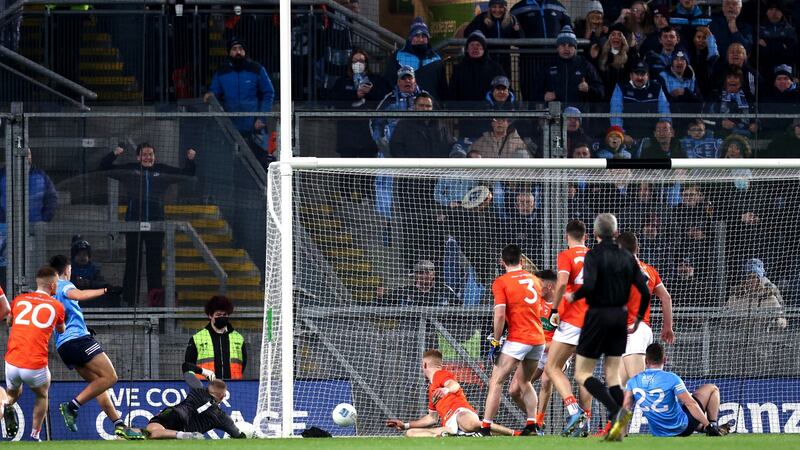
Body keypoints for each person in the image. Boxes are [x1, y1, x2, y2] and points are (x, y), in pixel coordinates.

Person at [564, 213, 650, 442]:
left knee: (582, 373)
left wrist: (574, 296)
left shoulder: (593, 255)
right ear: (615, 232)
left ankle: (616, 411)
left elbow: (590, 286)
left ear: (595, 234)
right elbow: (645, 291)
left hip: (597, 316)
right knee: (613, 376)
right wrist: (639, 318)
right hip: (620, 319)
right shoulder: (628, 257)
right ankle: (618, 428)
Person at [49, 255, 143, 439]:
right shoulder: (64, 284)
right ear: (67, 269)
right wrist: (106, 290)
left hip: (64, 346)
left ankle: (119, 425)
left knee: (98, 384)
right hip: (78, 340)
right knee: (110, 377)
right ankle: (72, 406)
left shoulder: (50, 291)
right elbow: (79, 295)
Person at [98, 143, 196, 306]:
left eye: (151, 154)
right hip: (133, 225)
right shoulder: (129, 170)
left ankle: (155, 302)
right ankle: (129, 302)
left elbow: (187, 174)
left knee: (154, 266)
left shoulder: (162, 170)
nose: (148, 157)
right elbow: (104, 167)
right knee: (132, 265)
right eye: (144, 154)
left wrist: (190, 160)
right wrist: (114, 153)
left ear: (154, 157)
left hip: (156, 226)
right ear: (138, 157)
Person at [480, 244, 546, 436]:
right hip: (538, 339)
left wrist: (495, 340)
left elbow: (500, 315)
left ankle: (485, 427)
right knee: (525, 382)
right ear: (522, 260)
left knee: (497, 381)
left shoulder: (501, 282)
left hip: (518, 338)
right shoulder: (534, 280)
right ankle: (532, 424)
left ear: (502, 262)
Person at [385, 349, 516, 437]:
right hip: (449, 426)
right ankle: (456, 435)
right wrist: (405, 425)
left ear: (424, 365)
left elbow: (454, 385)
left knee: (472, 424)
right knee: (411, 433)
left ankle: (515, 433)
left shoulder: (440, 374)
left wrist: (446, 389)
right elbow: (432, 418)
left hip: (461, 413)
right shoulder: (431, 389)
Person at [2, 266, 65, 441]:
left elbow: (9, 323)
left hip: (12, 362)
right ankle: (35, 434)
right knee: (42, 394)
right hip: (34, 365)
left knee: (13, 393)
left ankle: (6, 405)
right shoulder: (57, 306)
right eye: (57, 284)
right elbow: (61, 329)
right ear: (52, 285)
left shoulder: (19, 300)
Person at [544, 219, 593, 437]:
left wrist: (555, 309)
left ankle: (574, 411)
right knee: (584, 374)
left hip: (574, 319)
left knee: (553, 367)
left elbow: (562, 281)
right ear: (586, 236)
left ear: (567, 237)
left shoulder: (566, 255)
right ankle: (586, 422)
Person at [623, 343, 730, 437]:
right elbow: (690, 404)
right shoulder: (671, 378)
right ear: (664, 359)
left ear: (646, 361)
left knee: (680, 410)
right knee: (712, 388)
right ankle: (713, 427)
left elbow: (625, 407)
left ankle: (704, 427)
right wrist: (709, 425)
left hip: (659, 432)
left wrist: (623, 433)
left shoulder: (633, 381)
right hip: (682, 428)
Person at [204, 37, 275, 167]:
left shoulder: (256, 69)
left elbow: (269, 93)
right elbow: (214, 93)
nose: (238, 52)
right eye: (234, 49)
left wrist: (262, 118)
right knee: (237, 168)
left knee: (262, 165)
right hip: (232, 130)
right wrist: (210, 95)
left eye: (241, 49)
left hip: (255, 128)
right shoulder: (222, 72)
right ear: (229, 52)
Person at [615, 232, 675, 385]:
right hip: (640, 330)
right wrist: (667, 327)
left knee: (642, 387)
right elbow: (666, 298)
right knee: (620, 389)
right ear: (638, 248)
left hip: (632, 332)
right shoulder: (650, 270)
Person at [328, 48, 390, 158]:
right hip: (347, 135)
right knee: (348, 173)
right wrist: (355, 95)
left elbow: (383, 99)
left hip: (369, 136)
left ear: (366, 63)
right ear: (350, 63)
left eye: (361, 61)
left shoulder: (376, 80)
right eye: (355, 61)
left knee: (367, 172)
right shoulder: (342, 81)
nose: (358, 64)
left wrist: (369, 93)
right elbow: (336, 101)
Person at [145, 373, 246, 439]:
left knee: (150, 431)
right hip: (187, 428)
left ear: (208, 388)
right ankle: (182, 435)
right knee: (154, 435)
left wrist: (203, 372)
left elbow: (187, 370)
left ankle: (180, 435)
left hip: (175, 413)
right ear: (223, 396)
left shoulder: (197, 390)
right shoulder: (222, 417)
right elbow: (238, 435)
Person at [183, 295, 247, 380]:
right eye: (218, 315)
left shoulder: (238, 338)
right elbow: (189, 366)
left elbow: (243, 364)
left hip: (234, 386)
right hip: (206, 387)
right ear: (210, 315)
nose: (222, 317)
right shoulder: (197, 338)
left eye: (225, 314)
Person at [542, 26, 604, 111]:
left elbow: (601, 92)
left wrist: (588, 89)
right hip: (555, 116)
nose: (566, 48)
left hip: (579, 118)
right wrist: (544, 96)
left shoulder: (585, 65)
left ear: (575, 48)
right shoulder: (548, 66)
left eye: (570, 45)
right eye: (563, 45)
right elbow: (534, 92)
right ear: (557, 48)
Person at [382, 17, 446, 100]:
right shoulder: (398, 56)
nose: (420, 39)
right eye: (416, 35)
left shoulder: (436, 59)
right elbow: (389, 82)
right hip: (404, 107)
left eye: (424, 36)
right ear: (410, 38)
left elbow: (443, 88)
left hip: (430, 108)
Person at [610, 61, 671, 144]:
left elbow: (664, 112)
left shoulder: (656, 87)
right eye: (637, 74)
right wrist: (621, 134)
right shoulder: (621, 87)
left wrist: (662, 133)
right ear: (631, 75)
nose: (639, 77)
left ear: (648, 76)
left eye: (642, 74)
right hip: (627, 137)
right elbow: (615, 113)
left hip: (652, 138)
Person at [370, 65, 422, 155]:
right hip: (393, 150)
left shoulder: (425, 98)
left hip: (420, 149)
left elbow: (438, 121)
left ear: (415, 81)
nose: (407, 81)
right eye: (403, 78)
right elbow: (375, 123)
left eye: (410, 78)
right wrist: (382, 144)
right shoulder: (389, 100)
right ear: (398, 82)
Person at [463, 0, 523, 76]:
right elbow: (467, 33)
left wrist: (517, 31)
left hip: (504, 63)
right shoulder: (481, 18)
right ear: (490, 8)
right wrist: (481, 25)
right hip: (486, 62)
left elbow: (520, 40)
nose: (497, 10)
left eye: (501, 7)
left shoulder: (512, 19)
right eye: (494, 7)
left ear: (505, 8)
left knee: (503, 85)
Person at [725, 258, 788, 331]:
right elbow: (724, 321)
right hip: (738, 338)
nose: (751, 280)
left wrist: (777, 323)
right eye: (748, 277)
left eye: (754, 277)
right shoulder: (735, 298)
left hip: (763, 338)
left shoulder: (770, 298)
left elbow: (782, 319)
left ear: (760, 279)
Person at [446, 31, 505, 105]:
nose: (475, 48)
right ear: (467, 49)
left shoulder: (496, 68)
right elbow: (452, 94)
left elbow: (506, 91)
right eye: (472, 45)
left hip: (490, 113)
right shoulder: (459, 69)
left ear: (484, 49)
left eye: (478, 45)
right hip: (465, 113)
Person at [383, 260, 459, 307]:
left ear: (434, 273)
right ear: (416, 275)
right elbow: (383, 303)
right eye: (422, 272)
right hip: (410, 331)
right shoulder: (404, 292)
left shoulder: (444, 290)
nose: (426, 275)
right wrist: (381, 296)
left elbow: (459, 308)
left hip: (439, 331)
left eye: (429, 271)